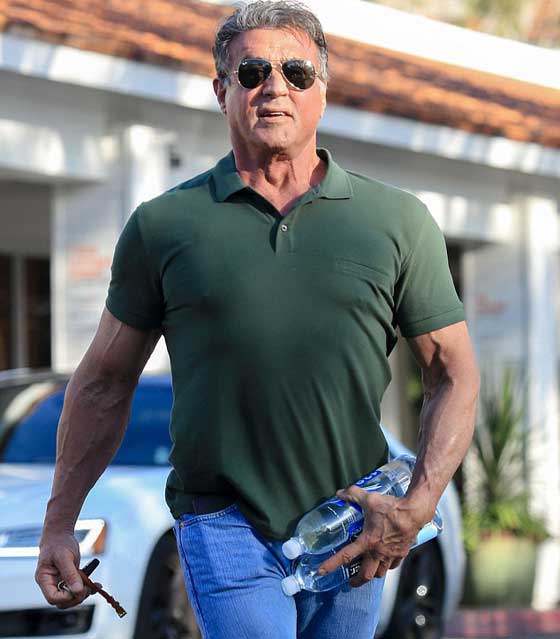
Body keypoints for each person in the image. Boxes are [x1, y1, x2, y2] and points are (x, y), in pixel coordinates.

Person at [35, 1, 480, 637]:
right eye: (252, 73)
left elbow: (454, 374)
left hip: (349, 522)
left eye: (296, 72)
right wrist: (59, 523)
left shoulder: (396, 222)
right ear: (222, 92)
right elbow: (104, 382)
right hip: (223, 522)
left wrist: (418, 506)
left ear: (322, 90)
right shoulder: (165, 226)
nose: (275, 87)